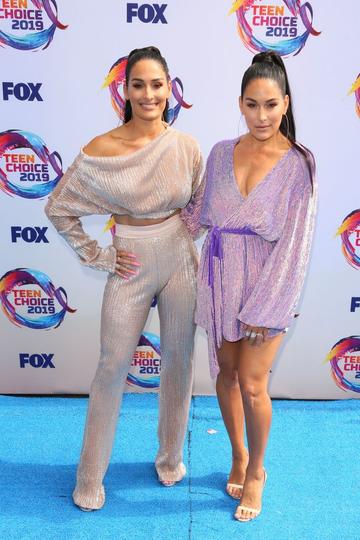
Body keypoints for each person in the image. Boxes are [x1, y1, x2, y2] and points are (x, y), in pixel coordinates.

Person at [45, 46, 202, 511]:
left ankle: (171, 458)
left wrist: (183, 239)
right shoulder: (101, 150)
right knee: (112, 365)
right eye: (139, 84)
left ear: (170, 87)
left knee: (180, 359)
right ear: (125, 90)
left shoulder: (186, 146)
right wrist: (98, 254)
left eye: (157, 84)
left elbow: (199, 205)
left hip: (179, 258)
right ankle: (90, 475)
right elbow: (58, 206)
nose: (149, 94)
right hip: (129, 260)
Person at [181, 51, 317, 522]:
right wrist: (143, 217)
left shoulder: (299, 163)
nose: (262, 115)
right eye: (252, 104)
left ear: (286, 104)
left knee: (255, 386)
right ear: (240, 103)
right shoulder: (220, 152)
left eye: (271, 104)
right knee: (226, 375)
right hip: (221, 278)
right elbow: (196, 216)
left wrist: (266, 308)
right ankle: (237, 453)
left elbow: (296, 244)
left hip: (267, 282)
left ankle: (256, 470)